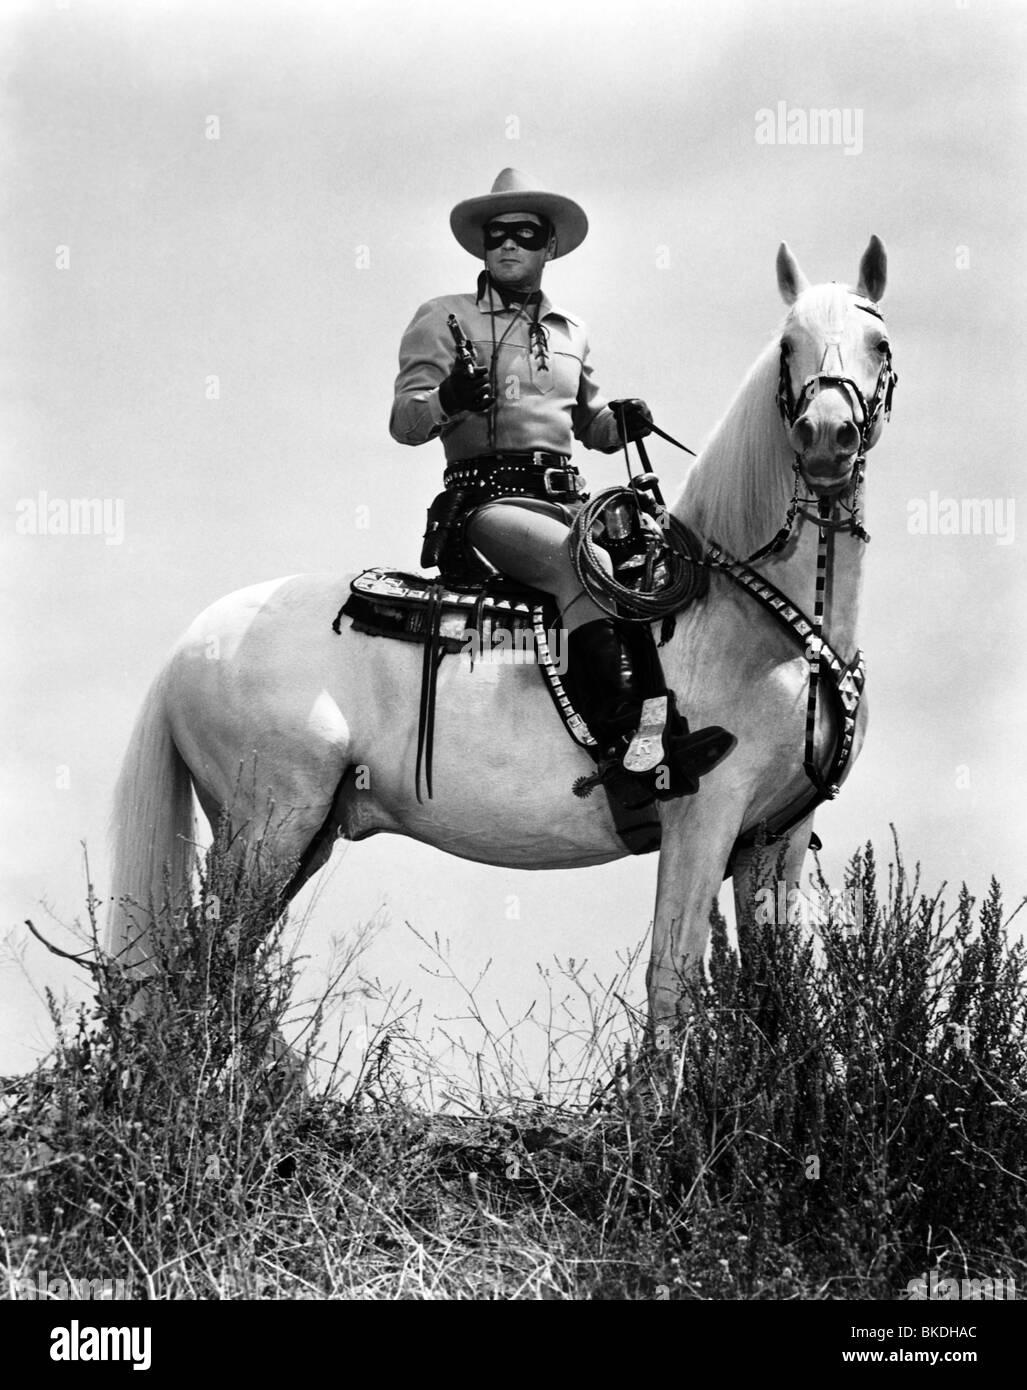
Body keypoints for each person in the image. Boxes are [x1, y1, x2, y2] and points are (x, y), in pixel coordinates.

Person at [390, 168, 734, 795]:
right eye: (497, 236)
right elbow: (404, 423)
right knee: (587, 563)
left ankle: (678, 720)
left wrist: (620, 422)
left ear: (548, 247)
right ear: (483, 248)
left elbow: (588, 426)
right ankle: (627, 743)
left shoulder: (571, 331)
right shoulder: (442, 318)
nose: (509, 245)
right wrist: (447, 397)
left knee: (673, 560)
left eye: (524, 234)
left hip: (571, 497)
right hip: (488, 501)